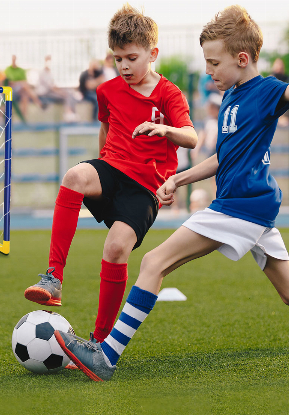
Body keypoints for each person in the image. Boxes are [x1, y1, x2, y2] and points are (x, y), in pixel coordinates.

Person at [54, 5, 289, 382]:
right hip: (254, 209)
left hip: (239, 208)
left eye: (214, 64)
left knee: (152, 263)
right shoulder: (231, 96)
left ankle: (106, 356)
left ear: (242, 59)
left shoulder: (268, 93)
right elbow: (221, 159)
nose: (208, 72)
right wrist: (178, 179)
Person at [23, 3, 197, 371]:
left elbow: (192, 138)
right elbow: (106, 125)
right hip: (113, 169)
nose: (124, 66)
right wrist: (101, 160)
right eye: (118, 59)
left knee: (117, 248)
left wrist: (166, 129)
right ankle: (53, 278)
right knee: (74, 176)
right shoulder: (108, 90)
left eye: (132, 58)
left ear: (153, 53)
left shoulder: (169, 94)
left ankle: (100, 345)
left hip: (145, 188)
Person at [36, 55, 78, 122]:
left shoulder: (49, 72)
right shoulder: (43, 72)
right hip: (44, 94)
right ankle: (68, 114)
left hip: (49, 91)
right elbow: (51, 87)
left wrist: (62, 91)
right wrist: (62, 93)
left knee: (69, 93)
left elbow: (53, 85)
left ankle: (72, 113)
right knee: (67, 95)